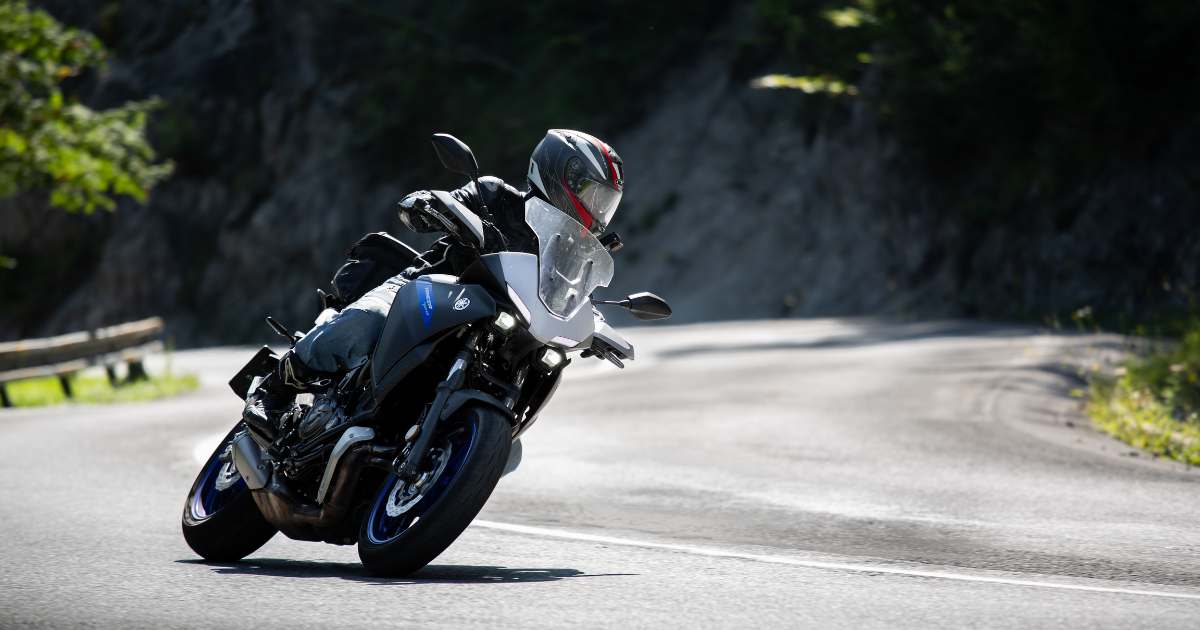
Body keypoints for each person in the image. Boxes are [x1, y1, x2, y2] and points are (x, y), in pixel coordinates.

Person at [243, 129, 625, 435]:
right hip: (430, 292)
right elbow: (450, 201)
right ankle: (275, 388)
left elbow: (575, 295)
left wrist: (599, 327)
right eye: (592, 194)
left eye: (605, 202)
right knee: (369, 320)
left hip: (498, 329)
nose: (597, 208)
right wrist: (432, 204)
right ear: (561, 174)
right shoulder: (496, 196)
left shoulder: (574, 251)